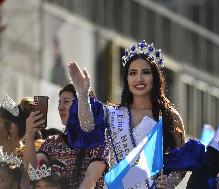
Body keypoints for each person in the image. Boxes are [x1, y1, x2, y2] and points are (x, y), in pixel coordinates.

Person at [67, 40, 186, 188]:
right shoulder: (112, 113)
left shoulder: (168, 116)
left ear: (155, 77)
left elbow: (181, 162)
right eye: (133, 73)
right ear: (127, 79)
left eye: (146, 72)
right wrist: (83, 93)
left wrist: (170, 182)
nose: (139, 79)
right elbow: (87, 126)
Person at [23, 84, 105, 189]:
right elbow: (31, 171)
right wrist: (29, 134)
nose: (60, 107)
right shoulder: (53, 143)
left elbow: (90, 180)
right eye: (59, 103)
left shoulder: (99, 141)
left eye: (66, 102)